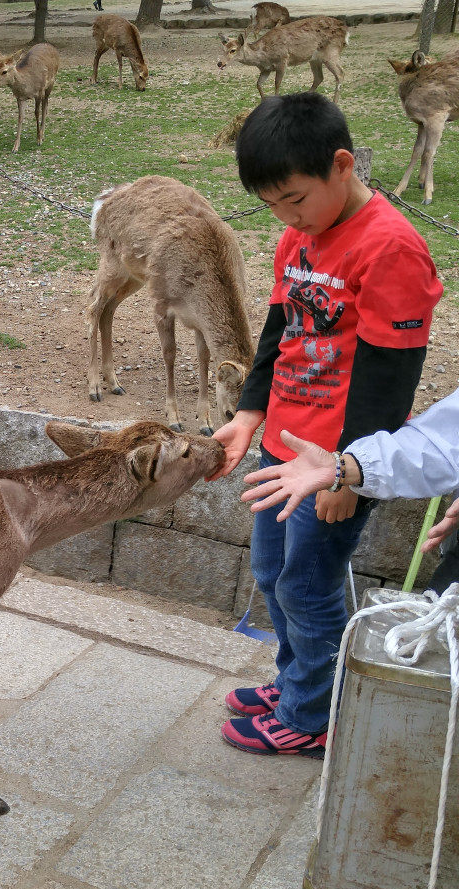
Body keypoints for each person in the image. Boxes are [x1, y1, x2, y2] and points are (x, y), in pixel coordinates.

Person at [210, 92, 442, 758]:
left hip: (335, 462)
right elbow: (279, 331)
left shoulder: (391, 248)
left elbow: (388, 383)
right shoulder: (300, 235)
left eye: (295, 199)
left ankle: (311, 716)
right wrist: (248, 416)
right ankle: (296, 682)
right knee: (271, 571)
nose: (287, 218)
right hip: (284, 447)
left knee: (307, 586)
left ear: (342, 165)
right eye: (274, 205)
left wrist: (350, 475)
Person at [240, 388, 459, 587]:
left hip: (336, 455)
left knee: (302, 589)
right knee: (269, 573)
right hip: (308, 457)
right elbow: (442, 439)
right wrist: (345, 468)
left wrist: (345, 476)